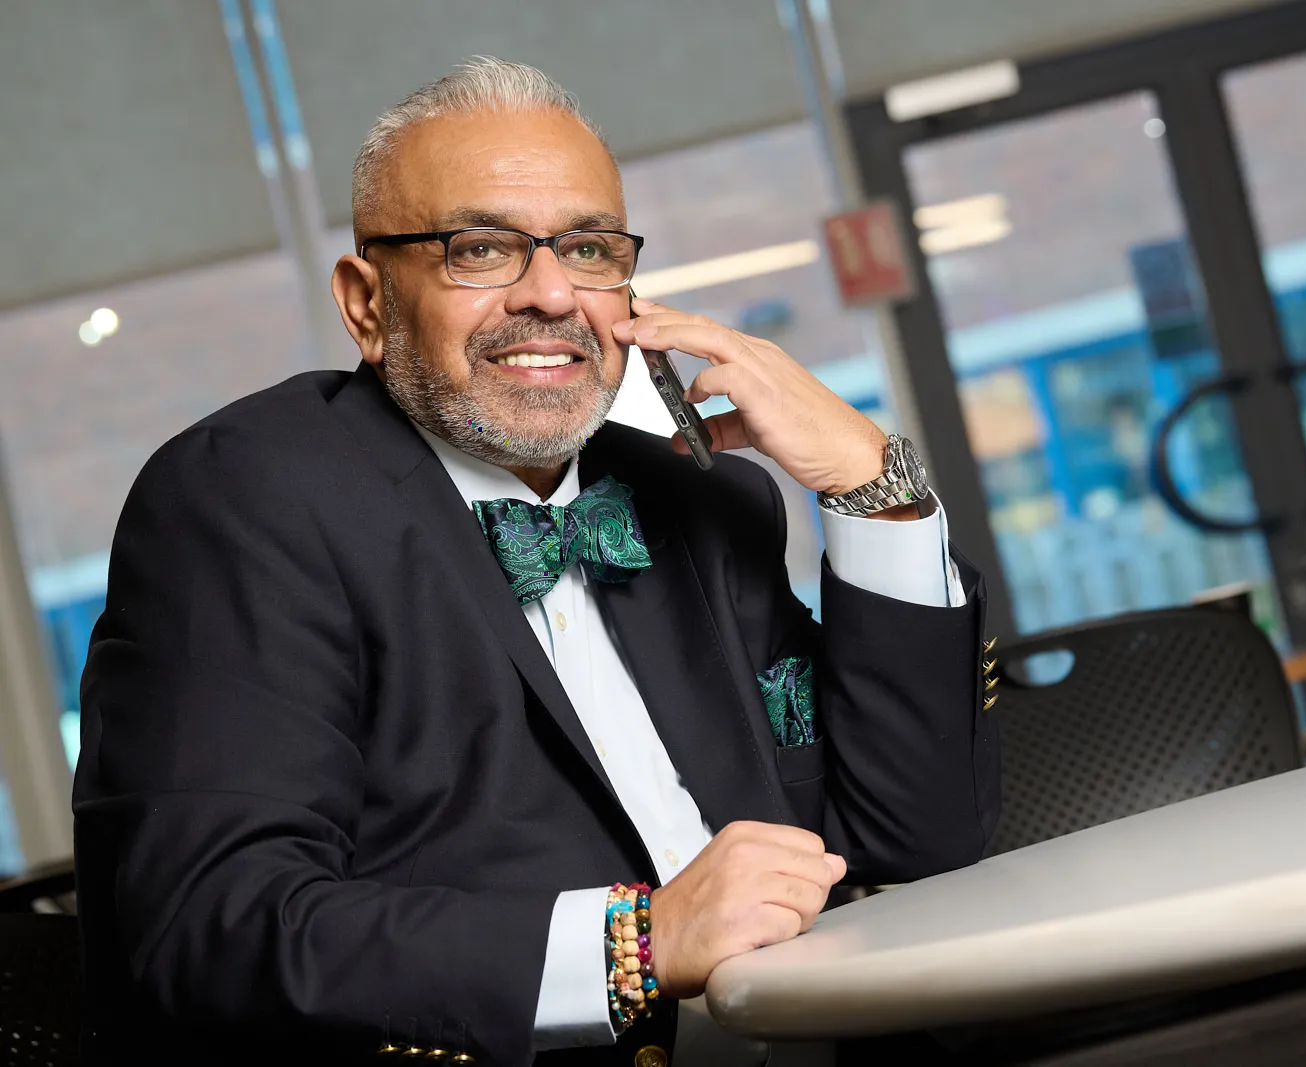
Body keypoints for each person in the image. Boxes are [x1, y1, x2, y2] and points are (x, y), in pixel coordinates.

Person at [74, 57, 998, 1067]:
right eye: (479, 249)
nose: (552, 293)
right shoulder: (244, 500)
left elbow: (918, 834)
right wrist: (637, 946)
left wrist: (876, 486)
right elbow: (213, 926)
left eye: (590, 248)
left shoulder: (703, 494)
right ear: (368, 303)